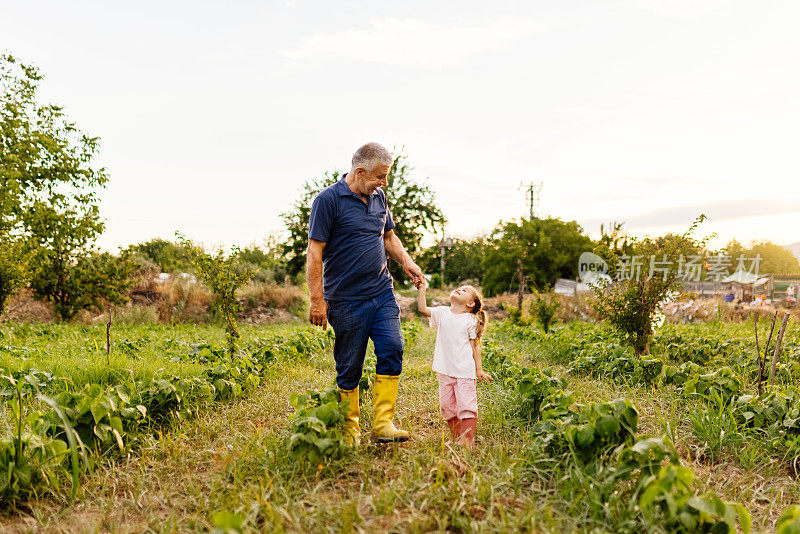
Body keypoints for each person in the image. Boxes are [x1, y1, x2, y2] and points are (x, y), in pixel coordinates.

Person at [307, 142, 424, 446]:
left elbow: (388, 236)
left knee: (393, 347)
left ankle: (383, 424)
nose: (384, 183)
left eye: (386, 177)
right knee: (350, 365)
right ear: (359, 172)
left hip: (381, 292)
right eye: (380, 177)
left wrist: (407, 261)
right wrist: (317, 300)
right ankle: (350, 431)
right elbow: (314, 253)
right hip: (346, 299)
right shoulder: (328, 201)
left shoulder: (379, 197)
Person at [416, 283, 492, 447]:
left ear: (470, 304)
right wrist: (422, 288)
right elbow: (422, 309)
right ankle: (455, 436)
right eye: (460, 288)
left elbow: (475, 346)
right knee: (447, 406)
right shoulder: (442, 312)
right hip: (444, 370)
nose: (459, 289)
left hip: (464, 371)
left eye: (464, 290)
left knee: (466, 405)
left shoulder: (470, 320)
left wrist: (478, 370)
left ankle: (467, 439)